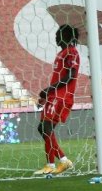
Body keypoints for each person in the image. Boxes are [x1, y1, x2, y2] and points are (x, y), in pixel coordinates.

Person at [33, 24, 80, 176]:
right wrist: (47, 95)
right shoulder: (62, 53)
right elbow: (59, 76)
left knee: (46, 127)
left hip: (61, 96)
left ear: (65, 36)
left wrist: (49, 90)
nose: (55, 38)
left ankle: (55, 163)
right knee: (44, 128)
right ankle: (58, 162)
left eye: (58, 35)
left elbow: (71, 76)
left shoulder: (71, 52)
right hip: (54, 96)